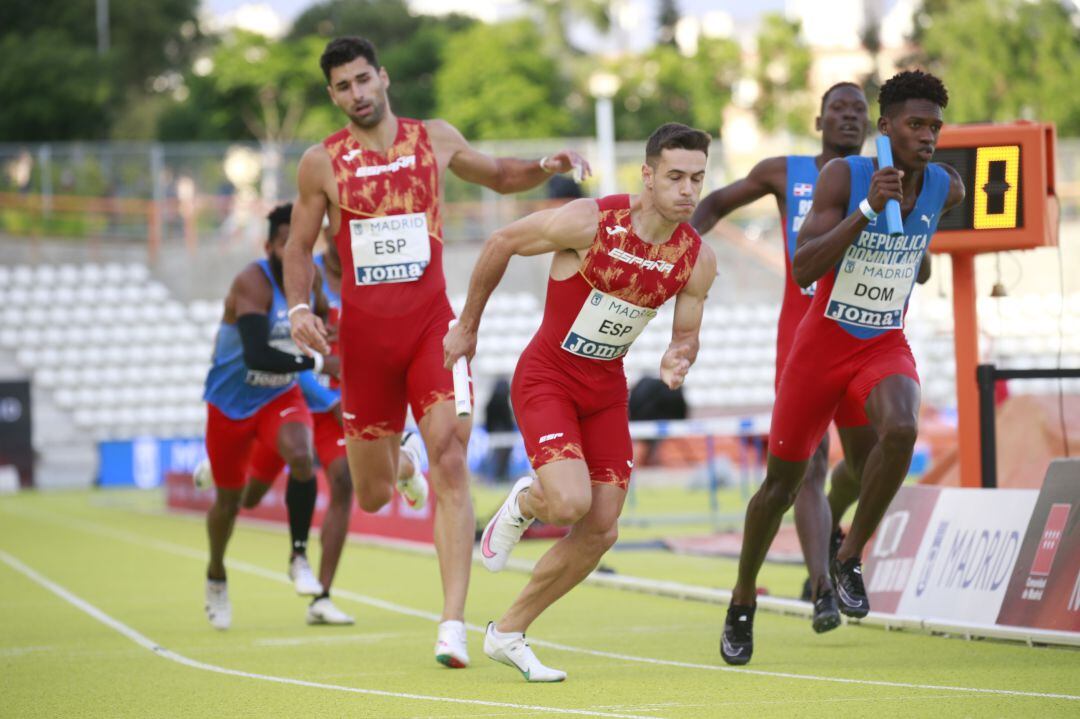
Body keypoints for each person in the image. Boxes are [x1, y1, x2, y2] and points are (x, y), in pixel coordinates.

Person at [283, 36, 589, 668]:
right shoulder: (321, 163)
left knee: (451, 453)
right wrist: (298, 307)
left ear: (383, 76)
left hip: (433, 329)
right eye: (343, 86)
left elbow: (500, 176)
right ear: (332, 95)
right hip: (364, 341)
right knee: (367, 493)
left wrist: (544, 162)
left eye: (364, 79)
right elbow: (298, 246)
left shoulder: (434, 139)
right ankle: (399, 467)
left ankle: (451, 624)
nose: (357, 94)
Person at [444, 122, 717, 682]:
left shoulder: (696, 259)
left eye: (697, 178)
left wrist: (677, 357)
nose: (688, 190)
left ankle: (508, 632)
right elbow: (501, 243)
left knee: (602, 528)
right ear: (647, 176)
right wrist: (467, 326)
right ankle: (527, 503)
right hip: (548, 378)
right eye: (675, 177)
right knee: (567, 504)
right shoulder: (591, 220)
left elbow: (685, 333)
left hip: (605, 391)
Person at [720, 70, 964, 665]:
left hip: (882, 341)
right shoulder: (843, 176)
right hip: (820, 346)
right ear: (886, 128)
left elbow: (919, 252)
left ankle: (848, 556)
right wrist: (866, 209)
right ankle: (742, 596)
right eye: (915, 125)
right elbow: (804, 268)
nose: (928, 136)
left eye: (935, 126)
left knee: (902, 428)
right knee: (779, 487)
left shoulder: (945, 187)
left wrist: (912, 243)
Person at [691, 82, 873, 630]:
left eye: (859, 111)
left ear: (870, 125)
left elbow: (922, 259)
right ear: (819, 121)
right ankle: (822, 588)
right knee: (807, 465)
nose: (849, 118)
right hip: (802, 335)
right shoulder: (783, 171)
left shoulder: (887, 180)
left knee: (866, 464)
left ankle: (833, 524)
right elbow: (717, 202)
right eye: (838, 110)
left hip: (864, 333)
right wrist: (681, 251)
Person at [199, 203, 336, 630]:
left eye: (302, 244)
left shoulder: (309, 282)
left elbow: (325, 320)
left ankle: (298, 556)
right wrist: (315, 365)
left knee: (301, 454)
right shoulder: (252, 282)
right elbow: (258, 353)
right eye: (285, 244)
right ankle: (216, 573)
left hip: (278, 397)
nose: (295, 251)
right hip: (231, 403)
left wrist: (323, 336)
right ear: (272, 246)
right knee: (232, 503)